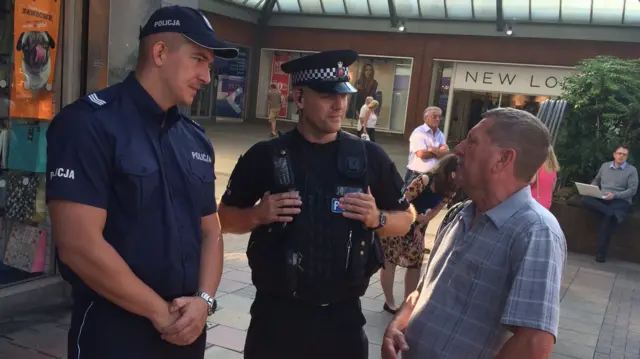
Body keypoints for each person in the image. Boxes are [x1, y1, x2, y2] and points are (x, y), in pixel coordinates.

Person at [46, 6, 233, 359]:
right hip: (115, 332)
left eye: (208, 64)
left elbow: (212, 231)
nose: (207, 77)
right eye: (198, 60)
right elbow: (79, 245)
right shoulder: (89, 125)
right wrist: (161, 314)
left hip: (186, 329)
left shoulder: (195, 140)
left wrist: (204, 302)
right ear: (160, 53)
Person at [218, 49, 414, 359]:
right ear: (299, 97)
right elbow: (223, 219)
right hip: (276, 321)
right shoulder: (265, 156)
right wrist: (257, 215)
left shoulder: (368, 157)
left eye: (344, 95)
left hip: (342, 323)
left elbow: (407, 218)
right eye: (327, 96)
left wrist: (378, 219)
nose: (339, 105)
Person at [382, 108, 567, 359]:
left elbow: (533, 343)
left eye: (472, 141)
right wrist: (396, 325)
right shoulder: (459, 213)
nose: (458, 149)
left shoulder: (536, 231)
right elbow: (424, 291)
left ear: (502, 159)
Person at [379, 154, 458, 314]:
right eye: (457, 171)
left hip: (417, 227)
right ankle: (390, 302)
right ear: (449, 170)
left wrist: (419, 226)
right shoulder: (425, 180)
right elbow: (402, 200)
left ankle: (408, 305)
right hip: (400, 220)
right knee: (390, 261)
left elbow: (434, 212)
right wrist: (413, 220)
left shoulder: (450, 189)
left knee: (415, 264)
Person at [581, 146, 638, 262]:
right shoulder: (605, 166)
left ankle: (600, 253)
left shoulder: (632, 171)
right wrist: (591, 187)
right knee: (585, 199)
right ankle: (611, 212)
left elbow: (632, 190)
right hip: (602, 197)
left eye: (624, 154)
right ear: (614, 154)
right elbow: (597, 180)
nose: (621, 156)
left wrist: (615, 195)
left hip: (620, 200)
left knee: (608, 219)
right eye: (619, 153)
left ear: (627, 157)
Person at [405, 106, 449, 185]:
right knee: (411, 197)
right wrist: (439, 152)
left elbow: (445, 154)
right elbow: (421, 154)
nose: (438, 119)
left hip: (434, 175)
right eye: (434, 116)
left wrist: (431, 149)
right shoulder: (418, 133)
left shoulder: (440, 134)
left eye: (439, 117)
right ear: (425, 118)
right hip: (417, 175)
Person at [530, 145, 560, 210]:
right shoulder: (553, 169)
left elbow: (531, 181)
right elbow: (552, 188)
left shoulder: (538, 166)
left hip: (533, 202)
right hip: (546, 204)